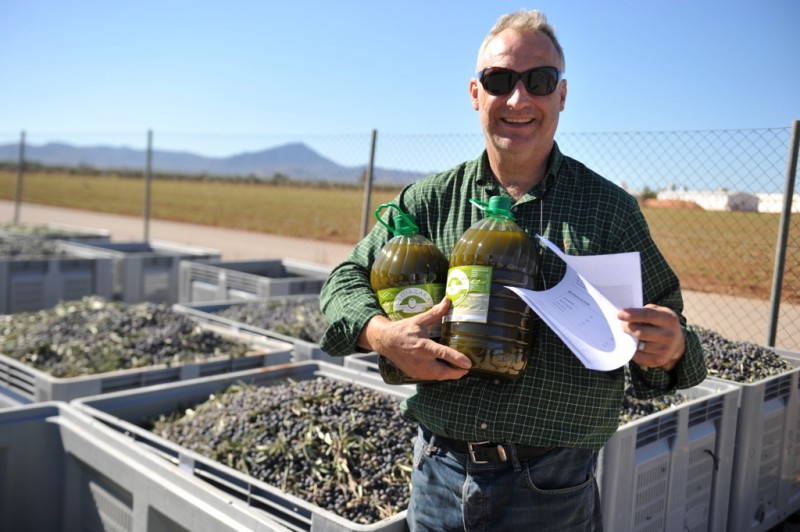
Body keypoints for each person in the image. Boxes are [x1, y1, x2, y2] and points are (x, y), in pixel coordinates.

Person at [319, 9, 706, 531]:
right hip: (438, 474)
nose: (519, 99)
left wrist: (672, 346)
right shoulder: (430, 202)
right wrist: (381, 334)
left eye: (539, 81)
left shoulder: (608, 212)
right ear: (476, 94)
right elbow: (345, 279)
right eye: (500, 81)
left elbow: (667, 326)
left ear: (561, 96)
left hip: (551, 488)